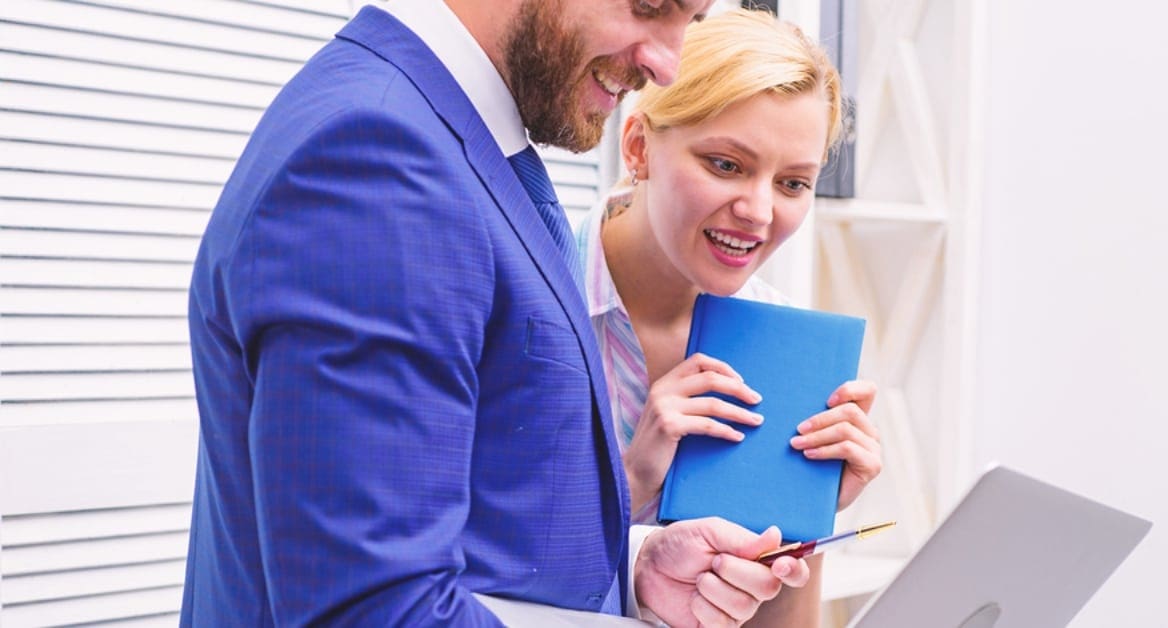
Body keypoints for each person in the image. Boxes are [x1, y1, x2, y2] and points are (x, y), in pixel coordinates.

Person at [182, 1, 811, 626]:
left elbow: (465, 536)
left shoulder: (451, 140)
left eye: (691, 22)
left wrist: (635, 571)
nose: (667, 64)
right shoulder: (380, 156)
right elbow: (377, 609)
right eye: (649, 6)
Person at [576, 9, 884, 626]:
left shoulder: (784, 341)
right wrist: (635, 476)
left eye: (793, 183)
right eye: (726, 164)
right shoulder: (532, 290)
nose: (759, 210)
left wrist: (806, 518)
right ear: (638, 146)